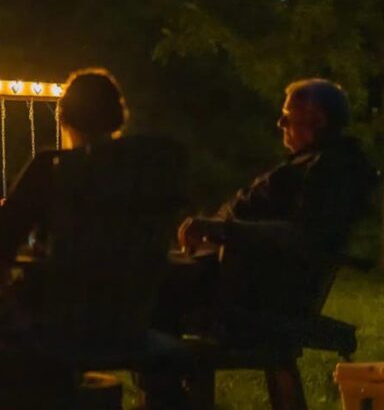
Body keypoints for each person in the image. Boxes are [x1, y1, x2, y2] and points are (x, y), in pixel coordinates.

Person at [143, 79, 378, 408]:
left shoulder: (334, 169)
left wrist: (224, 230)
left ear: (318, 119)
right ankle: (163, 393)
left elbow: (303, 236)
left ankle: (162, 396)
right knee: (147, 272)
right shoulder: (310, 162)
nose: (280, 124)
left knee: (145, 282)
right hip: (230, 272)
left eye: (287, 116)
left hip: (253, 291)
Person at [0, 69, 186, 408]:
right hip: (131, 320)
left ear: (64, 117)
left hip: (58, 323)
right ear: (117, 116)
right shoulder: (155, 170)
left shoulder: (53, 168)